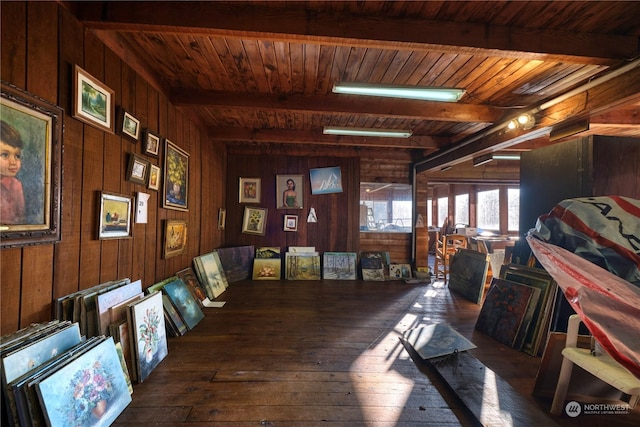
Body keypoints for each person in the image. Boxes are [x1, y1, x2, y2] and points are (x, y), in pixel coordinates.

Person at [0, 120, 25, 224]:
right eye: (5, 155)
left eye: (17, 156)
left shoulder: (15, 185)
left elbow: (22, 218)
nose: (13, 162)